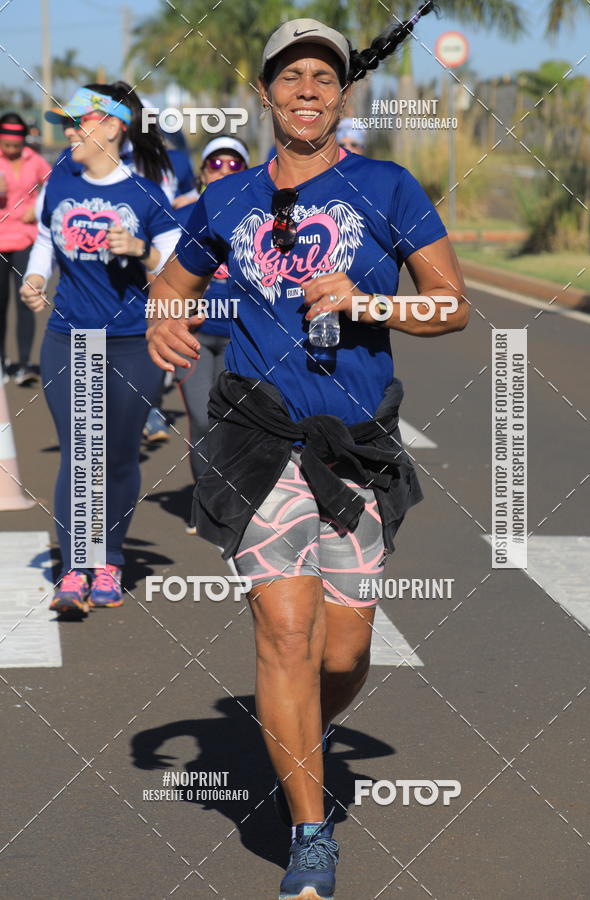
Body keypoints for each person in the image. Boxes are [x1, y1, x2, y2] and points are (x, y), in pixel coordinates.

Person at [147, 5, 467, 898]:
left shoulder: (390, 188)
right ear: (264, 94)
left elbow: (452, 305)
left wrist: (373, 305)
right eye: (291, 75)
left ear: (342, 93)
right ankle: (309, 831)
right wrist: (163, 312)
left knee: (342, 651)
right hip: (257, 436)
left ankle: (297, 742)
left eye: (323, 75)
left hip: (354, 443)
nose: (308, 88)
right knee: (286, 632)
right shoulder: (230, 197)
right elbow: (177, 276)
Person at [20, 83, 181, 618]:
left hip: (134, 341)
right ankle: (74, 567)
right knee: (79, 453)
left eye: (77, 122)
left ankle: (109, 558)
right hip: (71, 336)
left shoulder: (146, 194)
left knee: (115, 455)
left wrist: (140, 249)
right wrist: (38, 277)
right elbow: (45, 236)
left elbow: (178, 270)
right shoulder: (60, 179)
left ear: (111, 126)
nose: (67, 132)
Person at [172, 135, 249, 532]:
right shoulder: (183, 214)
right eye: (215, 164)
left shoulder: (261, 214)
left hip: (243, 338)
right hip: (197, 336)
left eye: (234, 165)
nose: (224, 171)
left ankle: (233, 500)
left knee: (235, 423)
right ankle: (206, 498)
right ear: (202, 172)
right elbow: (163, 277)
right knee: (203, 419)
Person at [0, 113, 51, 385]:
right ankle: (1, 362)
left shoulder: (34, 159)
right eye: (5, 145)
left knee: (25, 299)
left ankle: (22, 364)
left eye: (15, 145)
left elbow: (56, 183)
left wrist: (38, 206)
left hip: (26, 238)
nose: (10, 150)